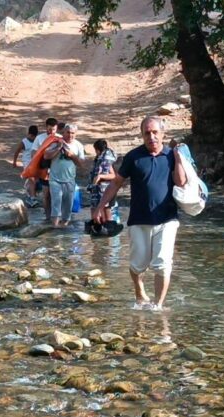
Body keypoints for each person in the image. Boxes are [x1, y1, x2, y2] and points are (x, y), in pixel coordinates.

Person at [93, 115, 187, 311]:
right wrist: (101, 206)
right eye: (147, 133)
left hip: (167, 218)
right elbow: (117, 182)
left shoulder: (171, 156)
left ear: (162, 134)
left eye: (155, 132)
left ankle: (158, 306)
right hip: (139, 219)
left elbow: (181, 182)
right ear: (142, 135)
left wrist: (178, 159)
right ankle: (139, 291)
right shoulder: (133, 157)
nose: (151, 137)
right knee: (138, 264)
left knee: (162, 263)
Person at [44, 124, 85, 227]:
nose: (70, 135)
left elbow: (81, 164)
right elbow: (46, 156)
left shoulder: (78, 145)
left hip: (70, 180)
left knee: (68, 205)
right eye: (68, 132)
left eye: (72, 133)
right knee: (56, 203)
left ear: (76, 134)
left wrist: (72, 156)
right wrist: (58, 148)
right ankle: (54, 228)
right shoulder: (55, 142)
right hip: (54, 179)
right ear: (63, 132)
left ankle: (64, 229)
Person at [31, 118, 61, 220]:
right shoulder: (39, 138)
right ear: (46, 127)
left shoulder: (60, 138)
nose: (51, 132)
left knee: (56, 194)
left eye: (53, 130)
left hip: (57, 170)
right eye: (49, 129)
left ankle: (56, 216)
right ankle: (48, 217)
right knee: (46, 194)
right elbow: (33, 154)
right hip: (44, 169)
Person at [88, 139, 118, 222]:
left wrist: (101, 176)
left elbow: (113, 176)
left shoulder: (106, 161)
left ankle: (109, 226)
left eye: (95, 150)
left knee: (106, 209)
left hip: (106, 190)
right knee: (95, 210)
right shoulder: (98, 160)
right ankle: (98, 227)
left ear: (97, 150)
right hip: (98, 190)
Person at [13, 125, 39, 206]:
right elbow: (17, 151)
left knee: (35, 180)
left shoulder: (37, 141)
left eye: (34, 136)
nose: (32, 138)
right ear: (29, 134)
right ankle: (32, 198)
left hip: (35, 162)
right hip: (27, 163)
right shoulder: (24, 142)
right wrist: (14, 161)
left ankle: (29, 189)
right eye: (31, 136)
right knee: (32, 179)